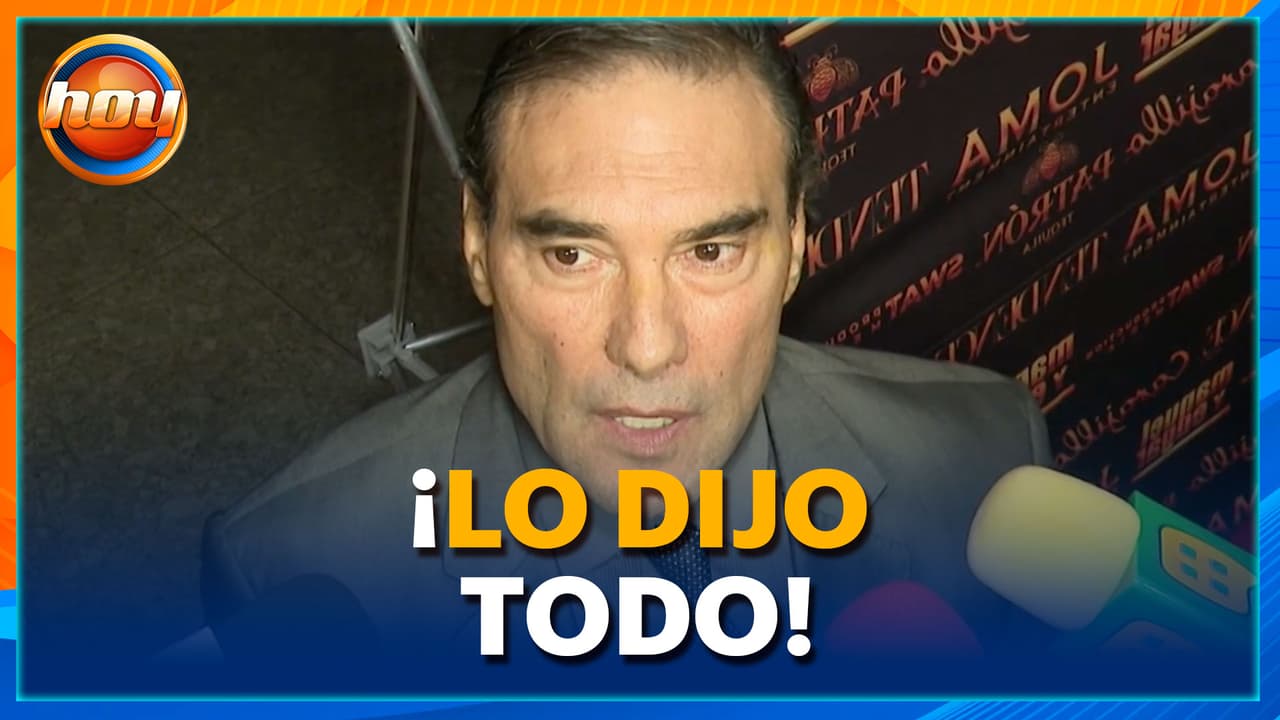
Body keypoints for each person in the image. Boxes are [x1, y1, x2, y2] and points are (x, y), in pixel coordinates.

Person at [200, 22, 1054, 691]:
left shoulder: (986, 456)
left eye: (711, 252)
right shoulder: (294, 569)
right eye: (572, 255)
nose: (647, 349)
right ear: (477, 244)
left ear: (796, 242)